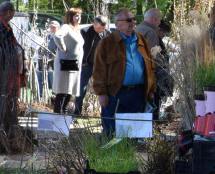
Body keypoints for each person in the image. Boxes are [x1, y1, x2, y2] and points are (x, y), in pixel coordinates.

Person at [92, 8, 156, 136]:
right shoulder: (107, 42)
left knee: (132, 134)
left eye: (133, 19)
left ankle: (128, 156)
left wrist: (151, 90)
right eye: (128, 20)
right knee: (110, 132)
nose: (132, 22)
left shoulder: (141, 40)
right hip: (115, 94)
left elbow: (150, 67)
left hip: (137, 94)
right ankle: (105, 156)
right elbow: (99, 70)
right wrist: (102, 93)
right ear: (117, 24)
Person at [0, 1, 27, 105]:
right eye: (14, 11)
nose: (14, 14)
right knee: (3, 92)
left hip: (4, 64)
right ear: (9, 12)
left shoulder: (0, 22)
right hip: (1, 66)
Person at [73, 16, 108, 115]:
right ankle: (77, 112)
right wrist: (82, 61)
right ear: (94, 24)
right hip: (87, 64)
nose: (101, 30)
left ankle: (104, 113)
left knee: (103, 88)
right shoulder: (84, 32)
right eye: (99, 28)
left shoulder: (107, 33)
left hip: (100, 65)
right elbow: (79, 48)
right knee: (81, 88)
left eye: (103, 28)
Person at [52, 8, 83, 114]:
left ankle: (64, 120)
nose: (79, 18)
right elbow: (57, 36)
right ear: (70, 17)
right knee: (62, 92)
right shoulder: (66, 27)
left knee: (69, 92)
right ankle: (57, 121)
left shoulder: (76, 29)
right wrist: (63, 48)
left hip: (74, 65)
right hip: (65, 65)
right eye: (76, 16)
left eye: (80, 15)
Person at [36, 21, 58, 100]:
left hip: (54, 62)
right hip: (44, 61)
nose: (52, 29)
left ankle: (54, 98)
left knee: (53, 80)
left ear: (58, 28)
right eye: (51, 27)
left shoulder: (58, 38)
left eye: (54, 27)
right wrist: (40, 53)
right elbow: (40, 47)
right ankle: (40, 97)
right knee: (40, 78)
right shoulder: (46, 37)